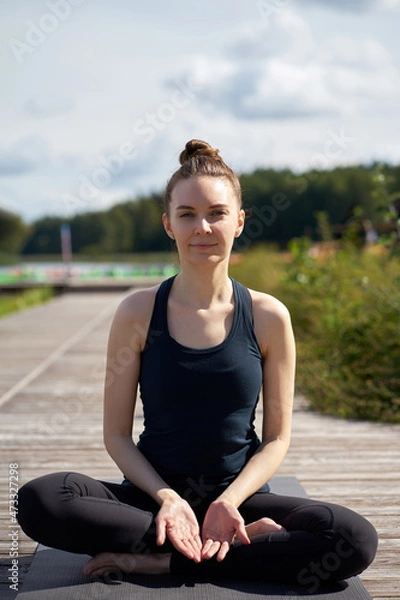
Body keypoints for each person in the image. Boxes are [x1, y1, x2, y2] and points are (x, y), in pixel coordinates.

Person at [17, 139, 378, 590]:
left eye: (217, 213)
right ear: (168, 224)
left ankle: (160, 561)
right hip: (150, 502)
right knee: (40, 500)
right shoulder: (137, 311)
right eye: (186, 214)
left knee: (354, 539)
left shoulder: (268, 316)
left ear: (239, 221)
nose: (202, 227)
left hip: (237, 502)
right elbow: (115, 436)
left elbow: (277, 438)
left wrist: (229, 502)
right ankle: (229, 550)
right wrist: (167, 497)